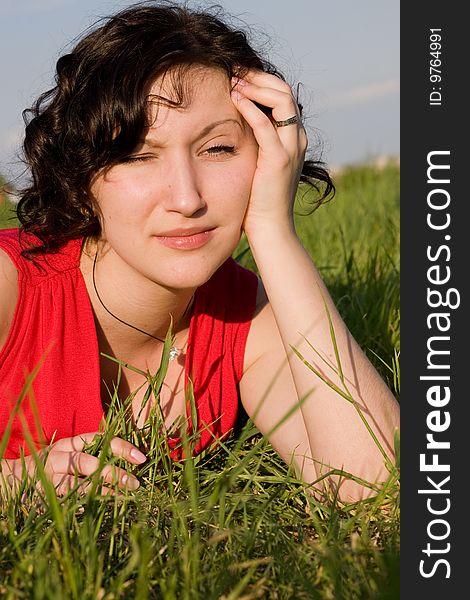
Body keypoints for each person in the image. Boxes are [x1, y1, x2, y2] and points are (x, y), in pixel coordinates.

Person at [0, 1, 399, 502]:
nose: (187, 199)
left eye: (218, 149)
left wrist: (274, 230)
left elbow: (377, 493)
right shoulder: (12, 288)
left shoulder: (244, 316)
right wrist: (12, 483)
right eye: (139, 156)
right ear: (81, 178)